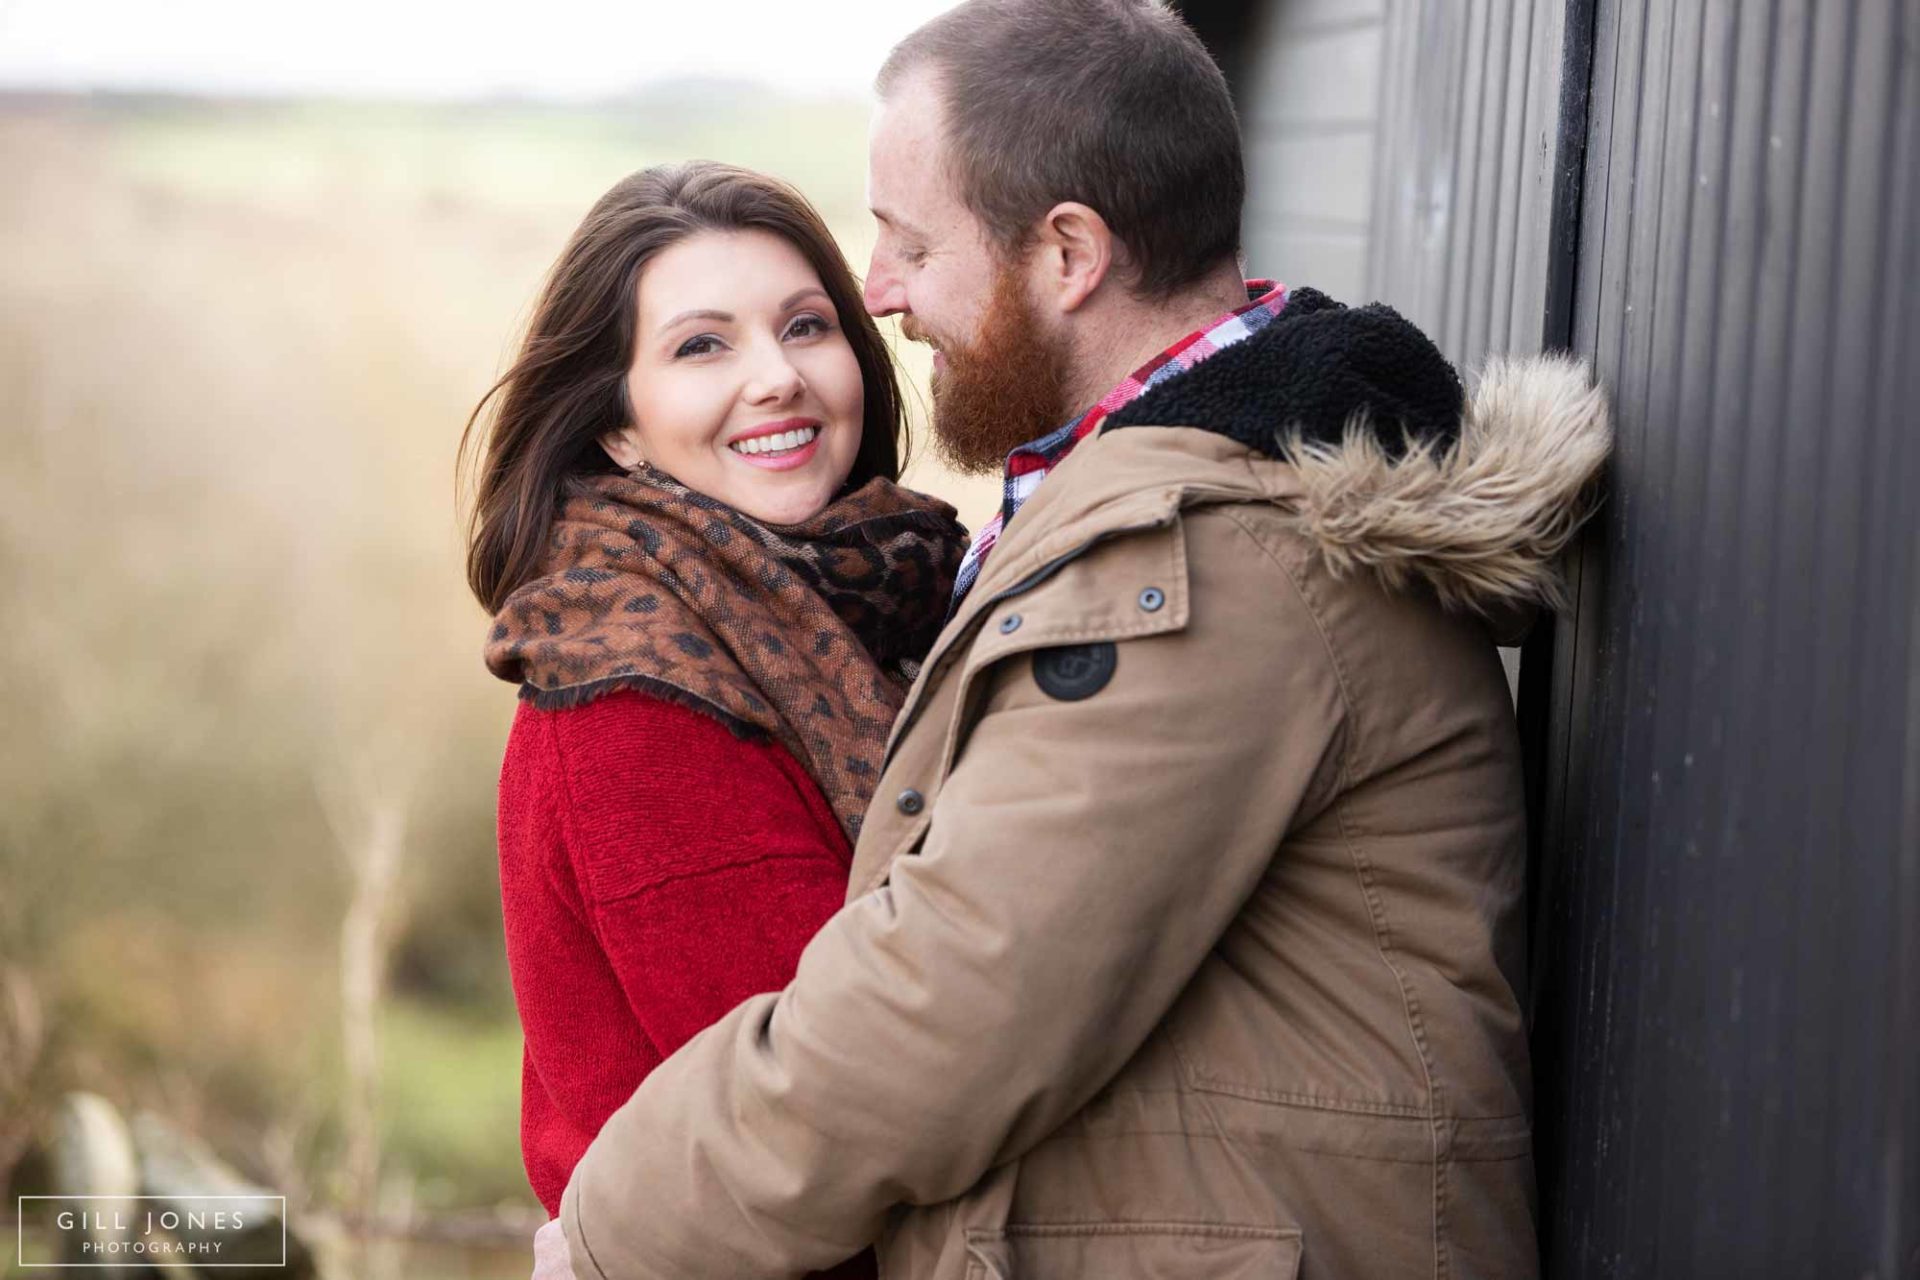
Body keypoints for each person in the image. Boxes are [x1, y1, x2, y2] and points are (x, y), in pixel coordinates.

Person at [551, 3, 1613, 1278]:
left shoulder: (1212, 564)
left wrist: (609, 1237)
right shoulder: (1159, 501)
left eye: (910, 243)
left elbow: (951, 999)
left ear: (1066, 255)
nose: (879, 291)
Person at [459, 161, 965, 1280]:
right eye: (702, 346)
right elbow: (835, 1104)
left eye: (805, 325)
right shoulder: (636, 690)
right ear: (620, 430)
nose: (777, 377)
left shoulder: (883, 608)